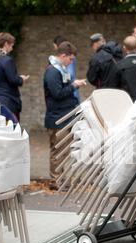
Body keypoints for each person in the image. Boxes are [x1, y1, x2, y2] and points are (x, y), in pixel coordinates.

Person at [44, 42, 87, 180]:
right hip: (57, 117)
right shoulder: (53, 71)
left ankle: (59, 179)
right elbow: (57, 94)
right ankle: (56, 180)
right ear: (63, 55)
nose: (71, 62)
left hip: (63, 116)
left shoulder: (60, 70)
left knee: (63, 150)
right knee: (58, 151)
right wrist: (74, 85)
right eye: (71, 59)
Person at [0, 32, 30, 122]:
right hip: (9, 99)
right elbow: (13, 80)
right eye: (11, 45)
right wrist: (21, 79)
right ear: (6, 44)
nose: (12, 48)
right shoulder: (7, 60)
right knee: (12, 128)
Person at [53, 35, 80, 102]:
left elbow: (70, 74)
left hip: (71, 91)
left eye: (54, 46)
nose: (54, 49)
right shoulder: (68, 58)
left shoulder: (68, 58)